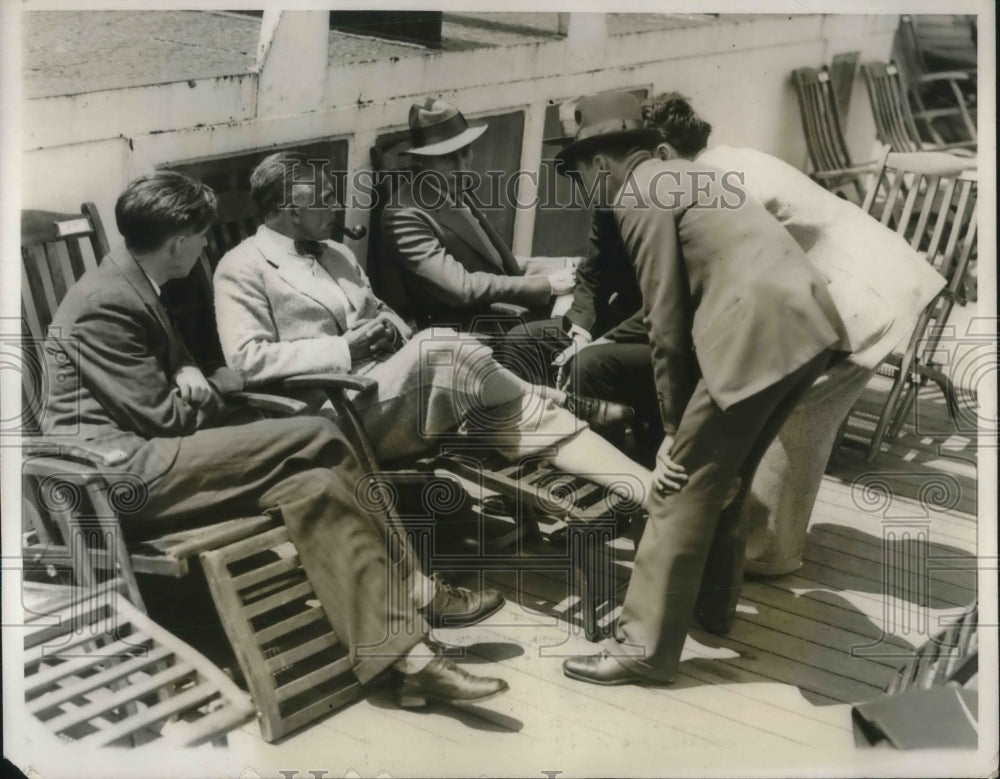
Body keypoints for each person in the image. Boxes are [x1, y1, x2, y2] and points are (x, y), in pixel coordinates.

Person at [41, 170, 510, 708]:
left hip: (153, 458)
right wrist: (220, 380)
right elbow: (167, 416)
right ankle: (418, 587)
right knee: (319, 435)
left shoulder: (134, 283)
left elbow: (169, 397)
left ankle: (410, 660)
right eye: (200, 237)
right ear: (179, 243)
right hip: (120, 475)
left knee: (316, 486)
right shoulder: (107, 303)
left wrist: (192, 381)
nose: (203, 247)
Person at [554, 91, 849, 686]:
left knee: (677, 484)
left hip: (754, 335)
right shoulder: (686, 174)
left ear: (604, 162)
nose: (585, 190)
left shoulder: (637, 192)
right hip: (808, 324)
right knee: (728, 475)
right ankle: (715, 606)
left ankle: (640, 648)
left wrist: (670, 431)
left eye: (581, 175)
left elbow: (664, 318)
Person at [213, 152, 650, 502]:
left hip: (392, 392)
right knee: (446, 346)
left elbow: (378, 307)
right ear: (291, 210)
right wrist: (346, 349)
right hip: (330, 412)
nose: (336, 205)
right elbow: (247, 361)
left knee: (518, 413)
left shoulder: (335, 254)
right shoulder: (242, 268)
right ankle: (550, 392)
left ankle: (646, 488)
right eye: (325, 199)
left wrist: (386, 324)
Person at [643, 91, 947, 575]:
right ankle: (773, 545)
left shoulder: (712, 180)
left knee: (798, 416)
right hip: (875, 279)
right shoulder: (730, 158)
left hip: (861, 293)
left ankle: (768, 555)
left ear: (663, 153)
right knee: (806, 420)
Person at [379, 97, 577, 333]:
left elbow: (497, 264)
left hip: (504, 315)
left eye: (465, 152)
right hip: (467, 334)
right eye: (447, 157)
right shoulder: (403, 215)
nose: (462, 166)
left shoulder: (451, 188)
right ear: (420, 161)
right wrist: (546, 285)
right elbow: (460, 287)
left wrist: (566, 266)